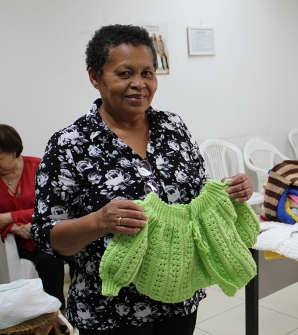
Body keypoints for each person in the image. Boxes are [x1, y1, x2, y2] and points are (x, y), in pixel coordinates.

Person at [31, 24, 254, 335]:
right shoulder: (70, 145)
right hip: (109, 310)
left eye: (147, 73)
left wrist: (228, 190)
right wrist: (99, 221)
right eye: (124, 73)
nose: (139, 84)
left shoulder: (173, 128)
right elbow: (47, 236)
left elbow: (196, 198)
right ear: (95, 76)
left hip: (180, 297)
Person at [0, 124, 69, 332]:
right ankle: (34, 321)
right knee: (25, 286)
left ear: (13, 150)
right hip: (15, 237)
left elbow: (51, 208)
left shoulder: (39, 166)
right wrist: (20, 227)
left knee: (50, 260)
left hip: (46, 233)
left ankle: (59, 319)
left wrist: (10, 216)